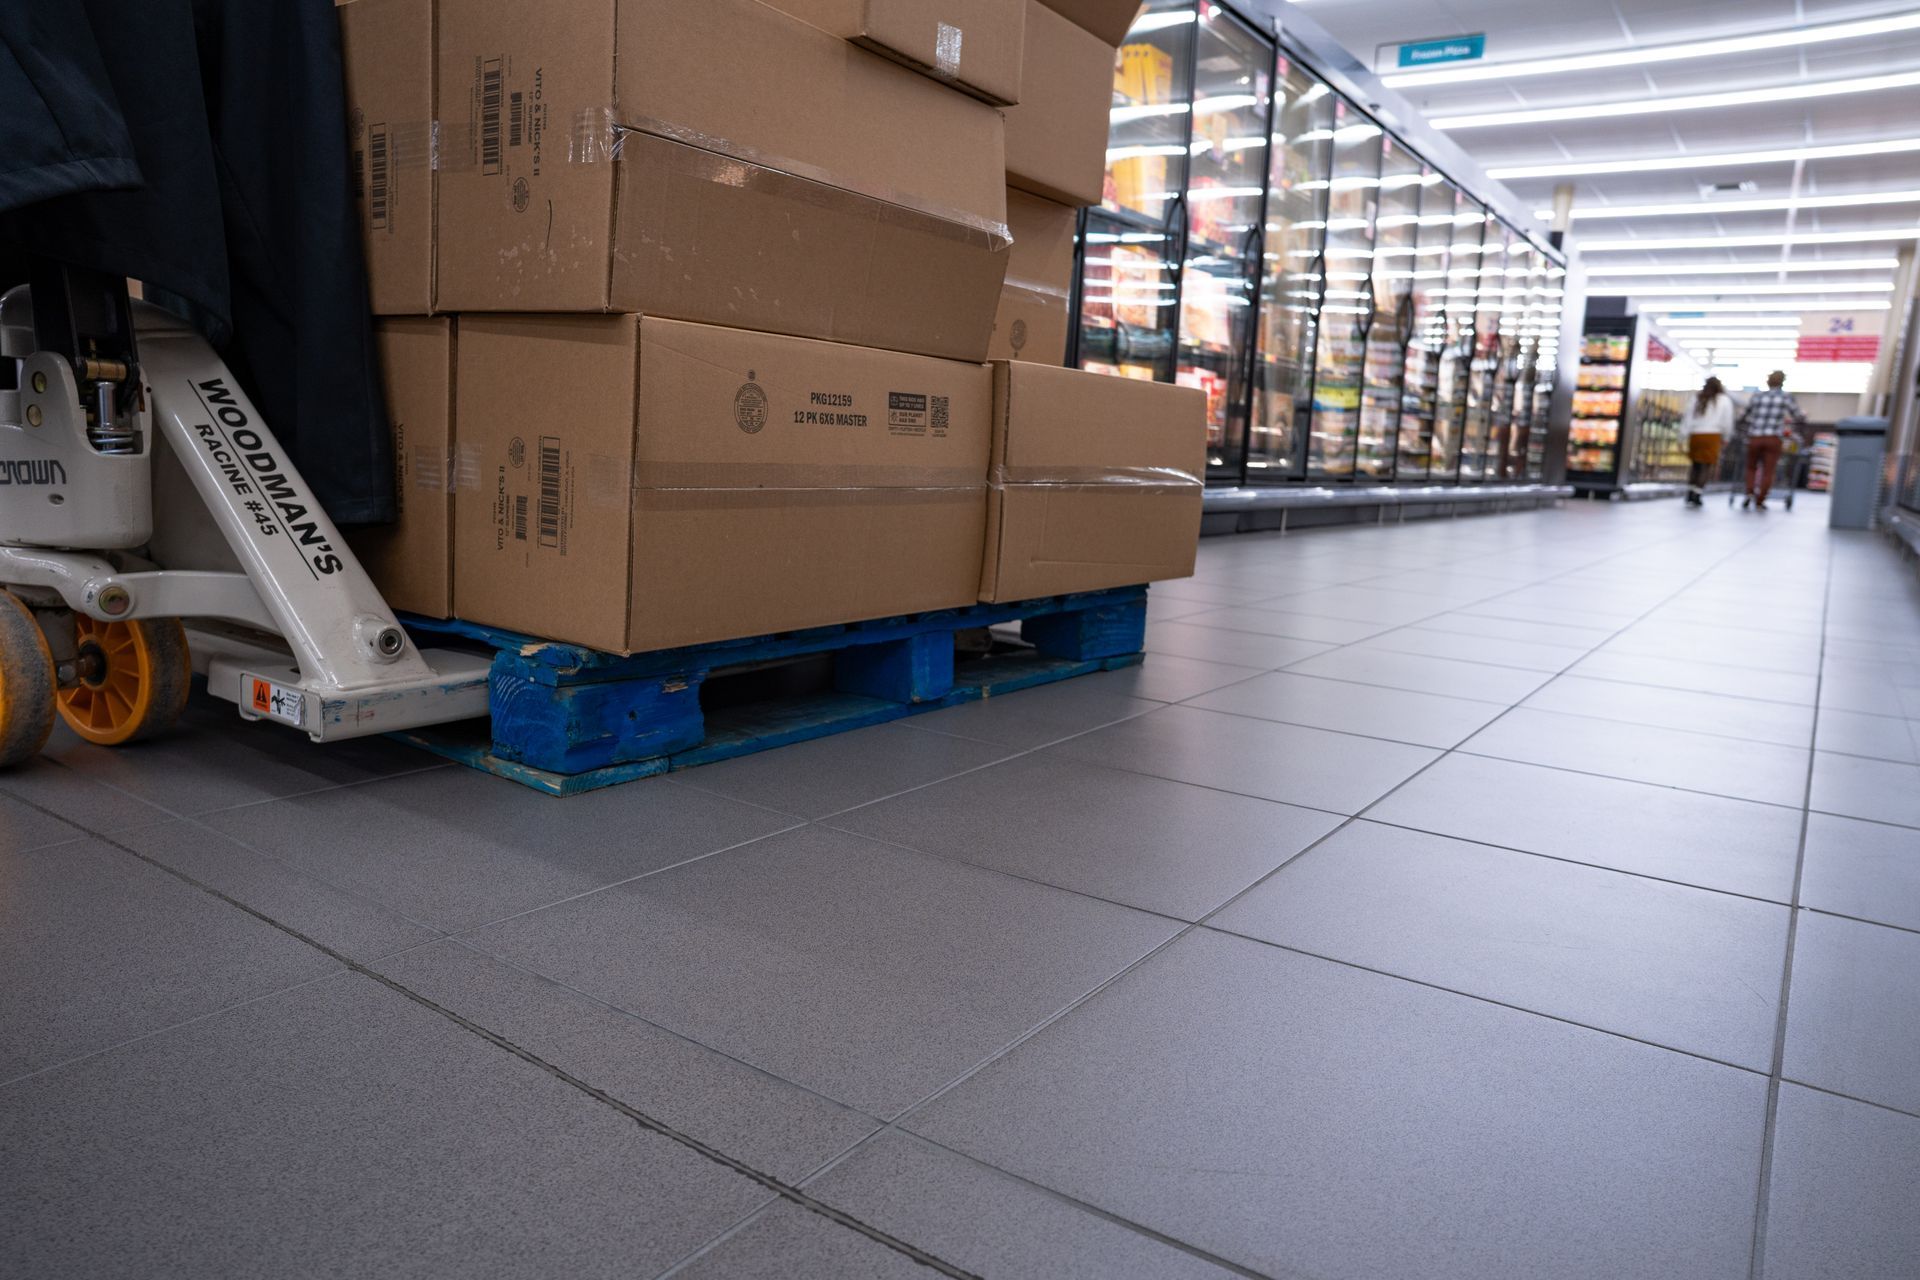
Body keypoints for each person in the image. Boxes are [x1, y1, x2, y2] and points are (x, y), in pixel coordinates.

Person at [1736, 370, 1809, 510]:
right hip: (1773, 438)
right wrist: (1804, 416)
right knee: (1768, 470)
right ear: (1782, 382)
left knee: (1751, 467)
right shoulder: (1786, 397)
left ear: (1768, 381)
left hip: (1755, 437)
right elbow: (1798, 416)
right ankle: (1760, 500)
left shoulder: (1757, 396)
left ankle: (1749, 492)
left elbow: (1744, 416)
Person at [1680, 376, 1733, 506]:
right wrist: (1726, 437)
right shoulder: (1724, 400)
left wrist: (1682, 436)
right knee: (1706, 466)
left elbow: (1687, 418)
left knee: (1695, 465)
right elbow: (1727, 421)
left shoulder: (1697, 398)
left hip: (1696, 435)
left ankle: (1689, 492)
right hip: (1713, 436)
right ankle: (1697, 494)